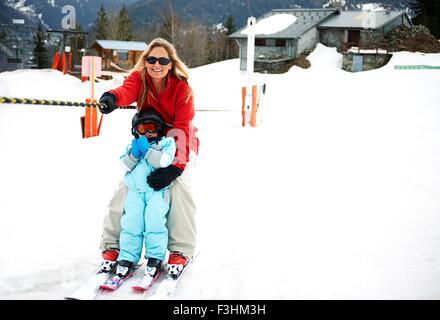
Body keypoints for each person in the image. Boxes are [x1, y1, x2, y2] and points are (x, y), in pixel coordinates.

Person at [98, 38, 199, 278]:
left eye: (163, 60)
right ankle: (113, 245)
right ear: (146, 61)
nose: (157, 64)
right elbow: (126, 91)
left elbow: (182, 128)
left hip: (178, 143)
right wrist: (112, 97)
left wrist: (176, 167)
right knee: (126, 189)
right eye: (152, 59)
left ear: (171, 63)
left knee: (178, 189)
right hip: (149, 142)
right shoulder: (140, 79)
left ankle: (181, 250)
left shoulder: (181, 87)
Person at [102, 108, 176, 289]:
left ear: (159, 129)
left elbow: (164, 162)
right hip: (135, 192)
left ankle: (154, 258)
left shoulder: (166, 143)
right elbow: (123, 165)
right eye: (142, 129)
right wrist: (134, 155)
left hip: (155, 193)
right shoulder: (132, 145)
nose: (147, 133)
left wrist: (148, 151)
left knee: (155, 222)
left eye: (151, 128)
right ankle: (127, 257)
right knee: (131, 223)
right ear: (135, 130)